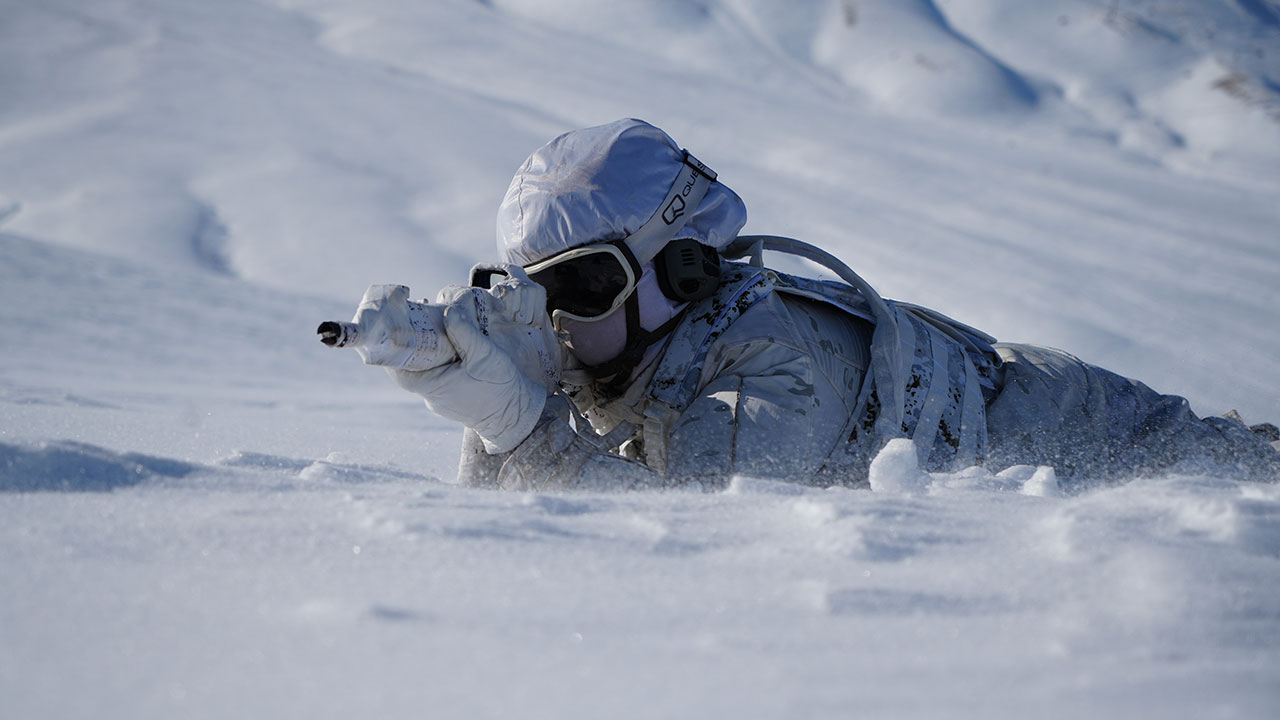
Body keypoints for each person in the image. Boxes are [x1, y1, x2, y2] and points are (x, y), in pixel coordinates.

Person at [385, 118, 1280, 490]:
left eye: (583, 285)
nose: (561, 318)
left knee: (1242, 471)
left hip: (1078, 425)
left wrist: (525, 429)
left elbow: (679, 550)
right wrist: (497, 399)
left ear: (684, 268)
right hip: (1023, 395)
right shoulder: (634, 347)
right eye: (535, 294)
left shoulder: (776, 359)